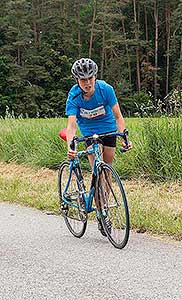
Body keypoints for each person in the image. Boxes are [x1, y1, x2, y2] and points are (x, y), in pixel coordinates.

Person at [61, 57, 132, 235]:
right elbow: (71, 126)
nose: (87, 82)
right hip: (89, 133)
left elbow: (118, 117)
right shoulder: (74, 95)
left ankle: (102, 211)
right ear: (77, 80)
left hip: (108, 130)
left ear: (95, 77)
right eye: (83, 79)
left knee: (106, 172)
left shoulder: (106, 89)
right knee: (97, 167)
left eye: (90, 78)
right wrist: (71, 146)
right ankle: (103, 214)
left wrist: (123, 136)